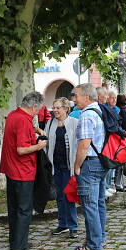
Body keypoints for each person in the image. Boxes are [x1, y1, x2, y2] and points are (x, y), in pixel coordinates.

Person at [0, 91, 47, 250]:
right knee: (24, 210)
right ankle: (20, 249)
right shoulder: (23, 120)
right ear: (33, 106)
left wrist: (34, 129)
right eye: (38, 110)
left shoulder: (14, 115)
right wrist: (39, 146)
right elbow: (21, 149)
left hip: (11, 170)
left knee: (14, 208)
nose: (37, 113)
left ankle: (16, 241)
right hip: (22, 171)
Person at [73, 83, 106, 250]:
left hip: (90, 164)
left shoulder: (86, 115)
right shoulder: (100, 110)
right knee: (99, 203)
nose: (74, 99)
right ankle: (100, 238)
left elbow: (84, 145)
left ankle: (94, 245)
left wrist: (77, 166)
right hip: (101, 162)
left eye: (76, 95)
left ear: (86, 97)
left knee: (90, 206)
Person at [45, 97, 79, 239]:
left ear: (66, 108)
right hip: (55, 166)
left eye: (58, 107)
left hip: (69, 166)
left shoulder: (74, 123)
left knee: (69, 196)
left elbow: (79, 144)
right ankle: (62, 224)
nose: (55, 110)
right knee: (59, 196)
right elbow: (45, 141)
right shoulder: (50, 122)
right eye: (54, 107)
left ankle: (73, 226)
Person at [115, 94, 126, 192]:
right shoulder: (123, 111)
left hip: (124, 139)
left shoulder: (124, 110)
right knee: (120, 163)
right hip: (123, 139)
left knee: (122, 162)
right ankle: (119, 184)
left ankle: (120, 183)